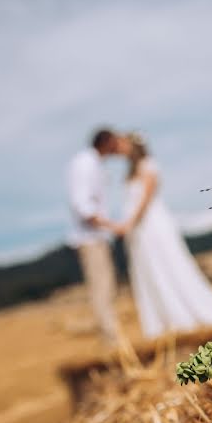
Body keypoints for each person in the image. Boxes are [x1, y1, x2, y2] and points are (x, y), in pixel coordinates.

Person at [109, 133, 212, 339]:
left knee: (166, 265)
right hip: (138, 230)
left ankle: (178, 312)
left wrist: (130, 223)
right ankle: (161, 318)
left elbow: (146, 198)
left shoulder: (147, 165)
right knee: (149, 269)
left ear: (133, 145)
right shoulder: (130, 170)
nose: (121, 148)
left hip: (151, 225)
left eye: (124, 144)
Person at [67, 128, 122, 346]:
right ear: (106, 142)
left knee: (107, 286)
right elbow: (83, 205)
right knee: (101, 288)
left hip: (97, 236)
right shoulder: (84, 163)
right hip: (90, 238)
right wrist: (111, 226)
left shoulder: (93, 163)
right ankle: (110, 339)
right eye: (115, 142)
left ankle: (111, 335)